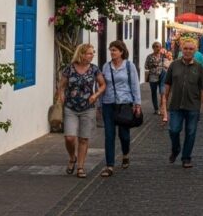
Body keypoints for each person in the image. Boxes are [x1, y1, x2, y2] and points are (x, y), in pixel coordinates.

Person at [58, 43, 105, 178]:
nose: (92, 55)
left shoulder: (94, 69)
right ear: (81, 54)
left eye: (92, 53)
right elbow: (61, 86)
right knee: (70, 137)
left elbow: (103, 85)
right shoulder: (70, 69)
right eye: (89, 53)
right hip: (70, 107)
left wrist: (95, 95)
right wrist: (62, 99)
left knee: (84, 138)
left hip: (88, 108)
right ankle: (72, 157)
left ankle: (80, 167)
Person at [161, 37, 203, 168]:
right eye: (186, 48)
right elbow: (167, 85)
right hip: (175, 104)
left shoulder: (199, 68)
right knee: (174, 130)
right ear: (181, 49)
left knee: (191, 132)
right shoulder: (174, 65)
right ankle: (175, 149)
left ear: (195, 51)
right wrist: (163, 104)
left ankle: (186, 157)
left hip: (193, 105)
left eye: (191, 49)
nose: (188, 51)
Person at [99, 40, 141, 177]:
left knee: (124, 135)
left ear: (121, 51)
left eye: (114, 50)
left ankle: (125, 153)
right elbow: (101, 85)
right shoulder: (106, 66)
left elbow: (135, 85)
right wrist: (99, 104)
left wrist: (137, 103)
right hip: (108, 103)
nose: (112, 52)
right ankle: (109, 165)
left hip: (125, 103)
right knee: (109, 135)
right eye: (110, 50)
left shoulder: (129, 66)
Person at [145, 42, 166, 114]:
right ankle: (156, 109)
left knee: (162, 92)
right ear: (153, 48)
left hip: (162, 75)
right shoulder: (149, 57)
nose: (158, 48)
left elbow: (165, 64)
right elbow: (146, 66)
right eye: (156, 47)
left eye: (159, 47)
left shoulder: (163, 56)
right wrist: (153, 65)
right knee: (154, 93)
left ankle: (162, 108)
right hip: (153, 76)